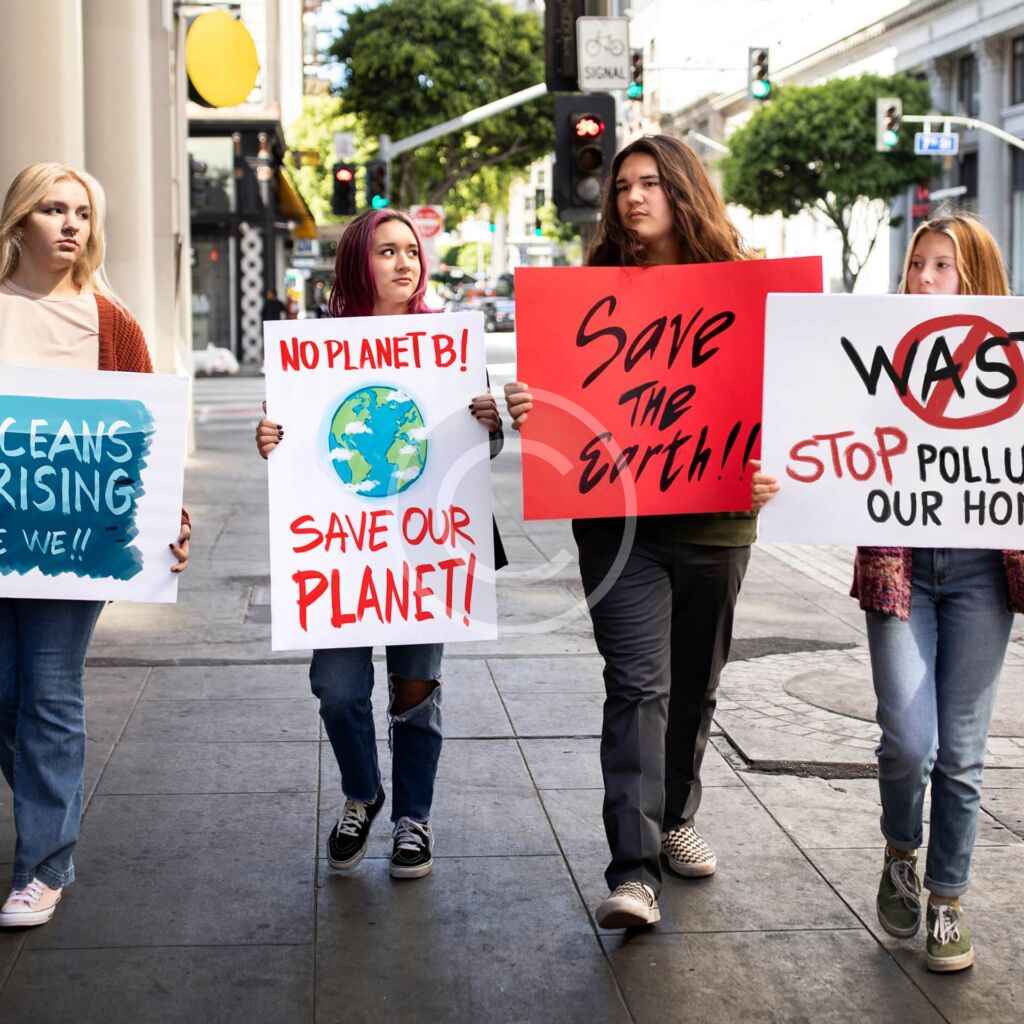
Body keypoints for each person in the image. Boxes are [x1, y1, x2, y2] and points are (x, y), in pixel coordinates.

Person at [752, 213, 1024, 973]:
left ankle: (947, 900)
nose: (925, 279)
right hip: (901, 570)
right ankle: (901, 850)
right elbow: (821, 443)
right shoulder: (873, 355)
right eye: (917, 264)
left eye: (943, 265)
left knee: (962, 755)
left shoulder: (1014, 363)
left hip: (982, 577)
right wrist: (779, 479)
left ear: (976, 279)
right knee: (908, 742)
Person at [506, 136, 754, 928]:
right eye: (622, 187)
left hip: (716, 521)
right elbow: (562, 402)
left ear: (684, 191)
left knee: (695, 683)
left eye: (650, 183)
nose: (633, 198)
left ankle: (675, 816)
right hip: (620, 529)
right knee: (637, 685)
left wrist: (777, 462)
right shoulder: (587, 294)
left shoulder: (742, 287)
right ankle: (634, 872)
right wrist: (529, 405)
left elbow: (784, 394)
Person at [256, 208, 505, 879]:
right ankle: (363, 793)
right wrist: (271, 439)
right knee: (337, 689)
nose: (404, 263)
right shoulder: (313, 353)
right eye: (386, 251)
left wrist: (490, 424)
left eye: (411, 251)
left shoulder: (449, 346)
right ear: (356, 263)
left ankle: (413, 819)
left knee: (415, 690)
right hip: (342, 550)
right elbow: (296, 447)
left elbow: (476, 453)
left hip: (424, 550)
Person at [0, 163, 191, 928]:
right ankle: (53, 820)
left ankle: (43, 866)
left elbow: (145, 437)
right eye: (53, 209)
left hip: (75, 541)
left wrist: (168, 518)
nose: (71, 224)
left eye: (81, 212)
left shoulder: (112, 324)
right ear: (19, 221)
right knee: (6, 695)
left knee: (49, 691)